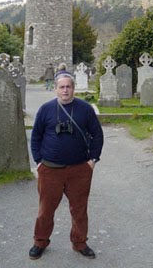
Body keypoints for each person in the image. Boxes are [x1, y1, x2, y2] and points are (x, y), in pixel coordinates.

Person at [29, 71, 104, 261]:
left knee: (79, 209)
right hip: (50, 169)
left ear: (73, 88)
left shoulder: (85, 109)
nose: (65, 90)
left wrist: (93, 160)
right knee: (46, 210)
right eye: (61, 87)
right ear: (55, 89)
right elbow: (36, 136)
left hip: (79, 169)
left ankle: (80, 242)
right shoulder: (45, 109)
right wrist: (38, 161)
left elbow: (97, 135)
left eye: (68, 86)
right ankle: (40, 241)